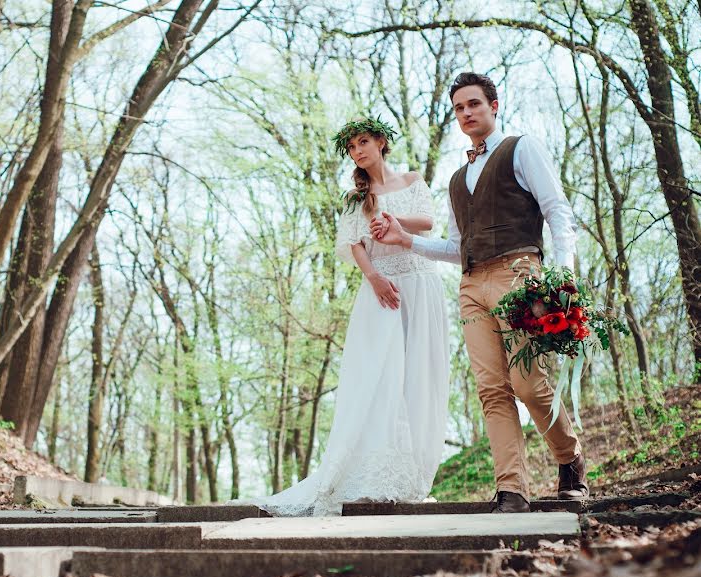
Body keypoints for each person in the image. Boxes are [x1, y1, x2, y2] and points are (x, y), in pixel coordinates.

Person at [372, 72, 590, 513]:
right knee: (491, 389)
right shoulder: (457, 179)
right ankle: (512, 490)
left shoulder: (520, 148)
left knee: (528, 384)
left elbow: (557, 210)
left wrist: (562, 277)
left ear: (493, 104)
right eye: (458, 108)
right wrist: (405, 239)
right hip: (472, 284)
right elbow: (456, 247)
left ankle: (571, 459)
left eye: (473, 104)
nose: (466, 113)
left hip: (520, 275)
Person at [243, 117, 450, 517]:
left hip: (420, 283)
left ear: (381, 142)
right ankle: (374, 470)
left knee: (419, 375)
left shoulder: (412, 180)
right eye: (352, 147)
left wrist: (394, 222)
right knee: (379, 377)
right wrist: (374, 278)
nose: (358, 151)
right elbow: (352, 244)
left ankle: (415, 473)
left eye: (363, 142)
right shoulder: (357, 198)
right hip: (383, 288)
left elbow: (427, 222)